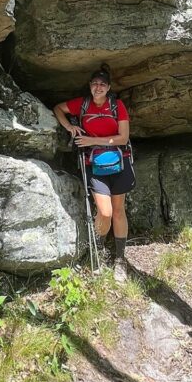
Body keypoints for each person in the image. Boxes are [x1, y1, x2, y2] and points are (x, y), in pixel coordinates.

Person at [53, 66, 134, 283]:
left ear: (108, 88)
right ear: (90, 86)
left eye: (102, 84)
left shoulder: (117, 106)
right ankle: (98, 251)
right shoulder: (83, 104)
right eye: (94, 84)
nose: (98, 87)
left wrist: (91, 141)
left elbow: (123, 138)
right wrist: (70, 127)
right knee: (105, 212)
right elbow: (58, 109)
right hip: (95, 164)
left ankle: (120, 260)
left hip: (119, 161)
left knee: (118, 211)